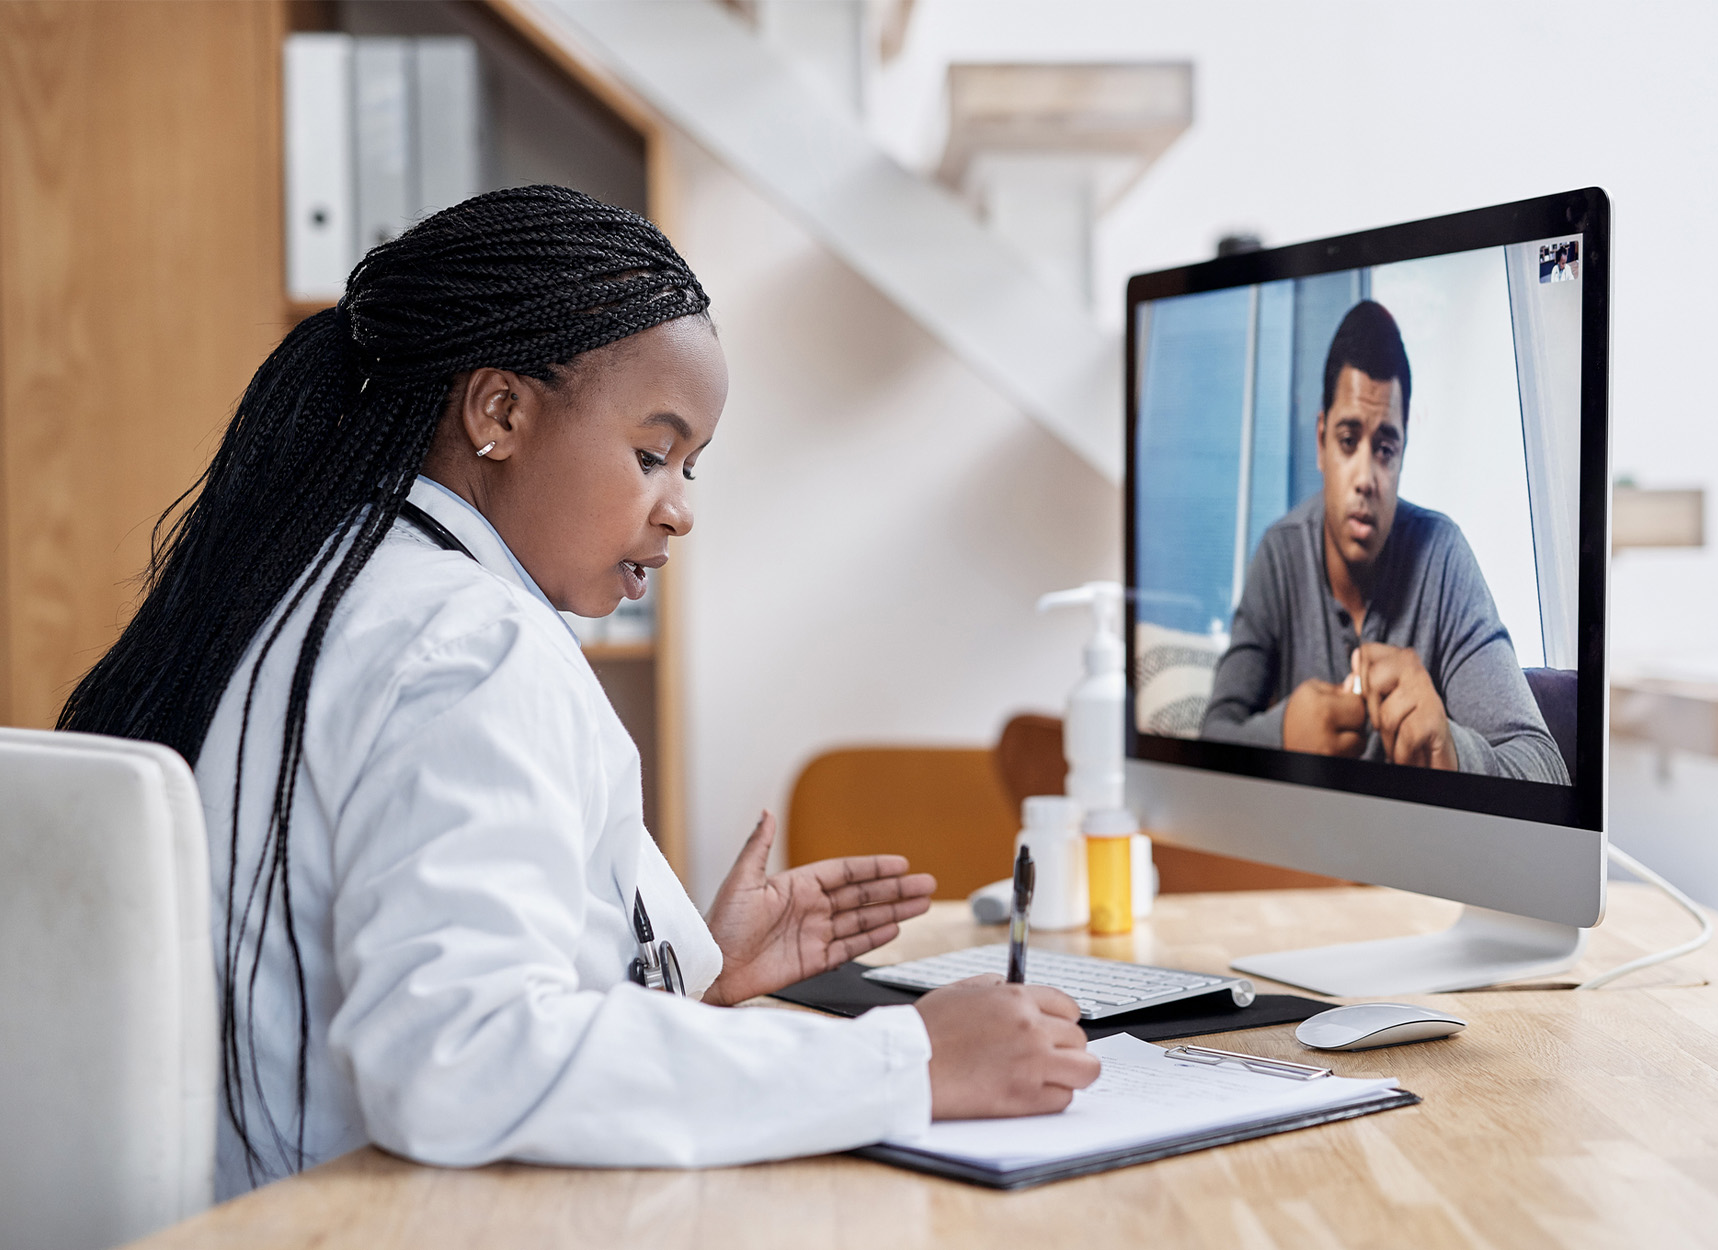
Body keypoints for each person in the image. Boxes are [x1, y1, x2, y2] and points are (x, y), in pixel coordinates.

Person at [58, 186, 1100, 1198]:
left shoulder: (340, 581)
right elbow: (459, 1058)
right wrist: (909, 1060)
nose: (681, 508)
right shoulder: (470, 644)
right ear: (499, 411)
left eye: (692, 466)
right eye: (653, 453)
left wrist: (693, 962)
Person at [1201, 300, 1568, 784]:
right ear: (1320, 442)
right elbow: (1210, 741)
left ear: (1402, 456)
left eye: (1385, 449)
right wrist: (1283, 735)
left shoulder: (1443, 558)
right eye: (1348, 440)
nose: (1366, 479)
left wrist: (1451, 750)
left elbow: (1548, 767)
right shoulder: (1280, 554)